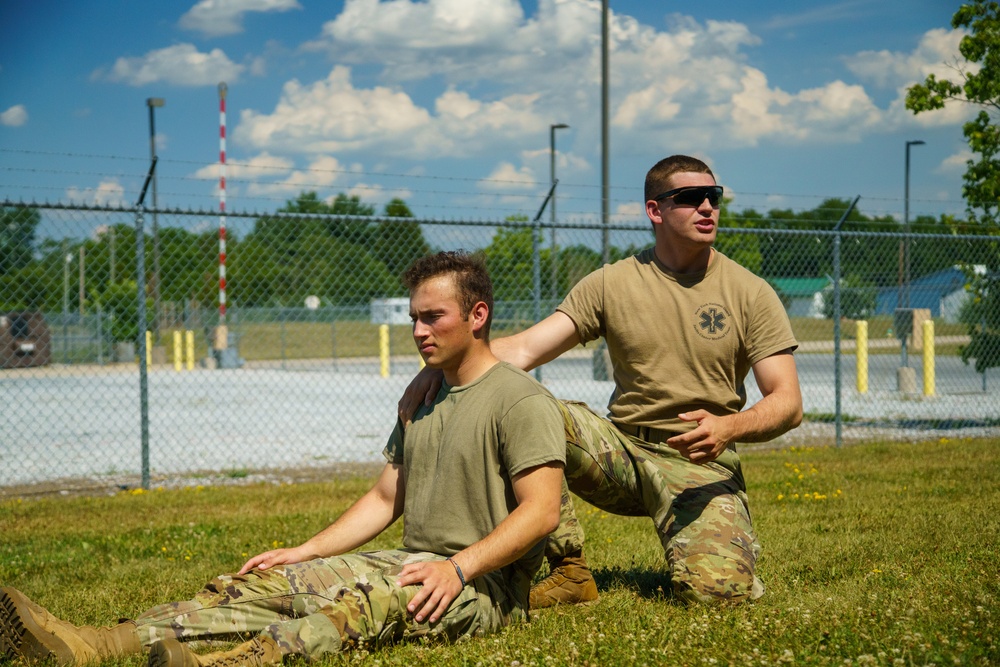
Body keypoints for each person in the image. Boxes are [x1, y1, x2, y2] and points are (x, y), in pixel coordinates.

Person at [0, 251, 566, 667]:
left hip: (484, 588)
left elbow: (540, 512)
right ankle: (96, 644)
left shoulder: (521, 400)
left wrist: (459, 567)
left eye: (433, 317)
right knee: (266, 586)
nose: (418, 331)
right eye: (414, 318)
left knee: (361, 607)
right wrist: (303, 552)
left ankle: (225, 665)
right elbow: (384, 498)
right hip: (410, 558)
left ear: (478, 315)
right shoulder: (424, 397)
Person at [400, 155, 803, 607]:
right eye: (691, 198)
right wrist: (438, 365)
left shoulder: (750, 291)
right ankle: (570, 572)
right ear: (656, 210)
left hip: (699, 465)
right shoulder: (612, 283)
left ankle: (729, 550)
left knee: (718, 598)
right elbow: (526, 350)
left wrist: (729, 427)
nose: (707, 206)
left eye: (714, 196)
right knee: (537, 411)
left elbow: (787, 402)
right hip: (621, 454)